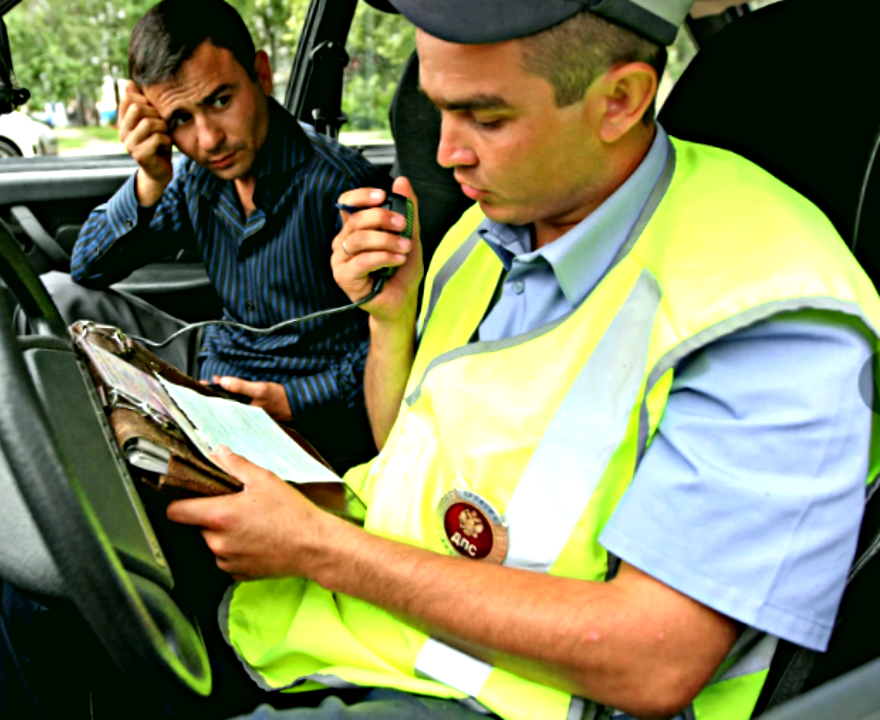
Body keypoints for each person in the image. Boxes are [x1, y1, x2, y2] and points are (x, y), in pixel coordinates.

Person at [164, 1, 880, 719]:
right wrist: (389, 322)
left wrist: (316, 547)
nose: (446, 152)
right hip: (353, 640)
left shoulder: (772, 315)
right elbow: (414, 452)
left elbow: (653, 661)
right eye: (436, 107)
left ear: (619, 101)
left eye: (485, 117)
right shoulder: (487, 229)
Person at [48, 0, 387, 472]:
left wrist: (294, 398)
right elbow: (88, 266)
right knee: (56, 294)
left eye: (220, 101)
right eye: (181, 119)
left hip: (299, 414)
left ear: (262, 76)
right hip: (209, 371)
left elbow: (396, 338)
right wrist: (149, 179)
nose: (207, 140)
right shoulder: (194, 178)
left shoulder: (343, 186)